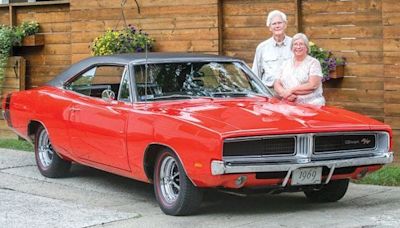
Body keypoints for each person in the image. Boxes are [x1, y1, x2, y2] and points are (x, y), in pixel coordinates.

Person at [274, 33, 325, 106]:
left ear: (306, 47)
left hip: (311, 105)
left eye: (301, 44)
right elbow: (276, 83)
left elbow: (312, 85)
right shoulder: (285, 63)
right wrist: (284, 93)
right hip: (288, 104)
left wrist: (291, 90)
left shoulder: (313, 63)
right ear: (291, 47)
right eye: (295, 44)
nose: (298, 47)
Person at [252, 10, 292, 92]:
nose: (277, 26)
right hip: (270, 91)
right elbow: (255, 74)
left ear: (285, 25)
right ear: (270, 28)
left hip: (291, 90)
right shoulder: (262, 47)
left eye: (279, 23)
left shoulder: (294, 44)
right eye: (274, 24)